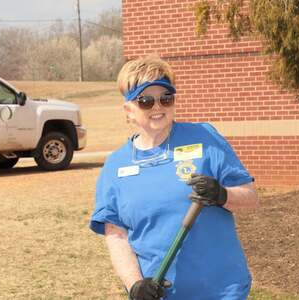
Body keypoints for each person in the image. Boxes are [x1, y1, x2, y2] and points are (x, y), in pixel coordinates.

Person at [90, 55, 259, 300]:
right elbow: (116, 234)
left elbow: (251, 198)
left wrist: (222, 195)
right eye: (146, 101)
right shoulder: (116, 166)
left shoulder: (204, 137)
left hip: (221, 290)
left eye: (165, 98)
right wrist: (135, 285)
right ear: (128, 110)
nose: (157, 107)